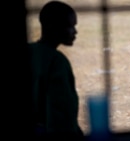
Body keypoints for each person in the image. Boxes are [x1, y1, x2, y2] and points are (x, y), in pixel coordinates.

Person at [28, 1, 84, 140]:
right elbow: (61, 116)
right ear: (54, 27)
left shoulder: (31, 51)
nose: (75, 31)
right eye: (71, 26)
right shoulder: (56, 62)